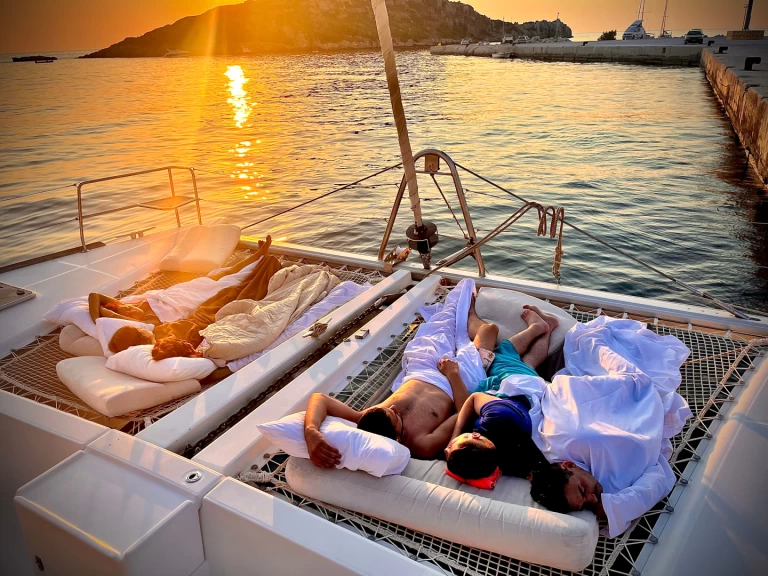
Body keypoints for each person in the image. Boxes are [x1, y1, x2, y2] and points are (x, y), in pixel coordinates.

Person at [303, 297, 504, 466]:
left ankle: (461, 306)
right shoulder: (422, 444)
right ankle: (469, 313)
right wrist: (453, 374)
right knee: (489, 331)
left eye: (389, 407)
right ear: (398, 439)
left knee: (443, 323)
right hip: (457, 381)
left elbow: (319, 398)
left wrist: (311, 431)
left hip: (422, 368)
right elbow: (464, 411)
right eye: (395, 415)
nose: (394, 407)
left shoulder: (365, 418)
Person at [444, 305, 559, 481]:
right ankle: (539, 327)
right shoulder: (496, 417)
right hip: (521, 386)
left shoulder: (509, 463)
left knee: (528, 363)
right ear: (475, 435)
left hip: (534, 400)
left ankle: (548, 327)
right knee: (501, 356)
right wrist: (455, 436)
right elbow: (473, 399)